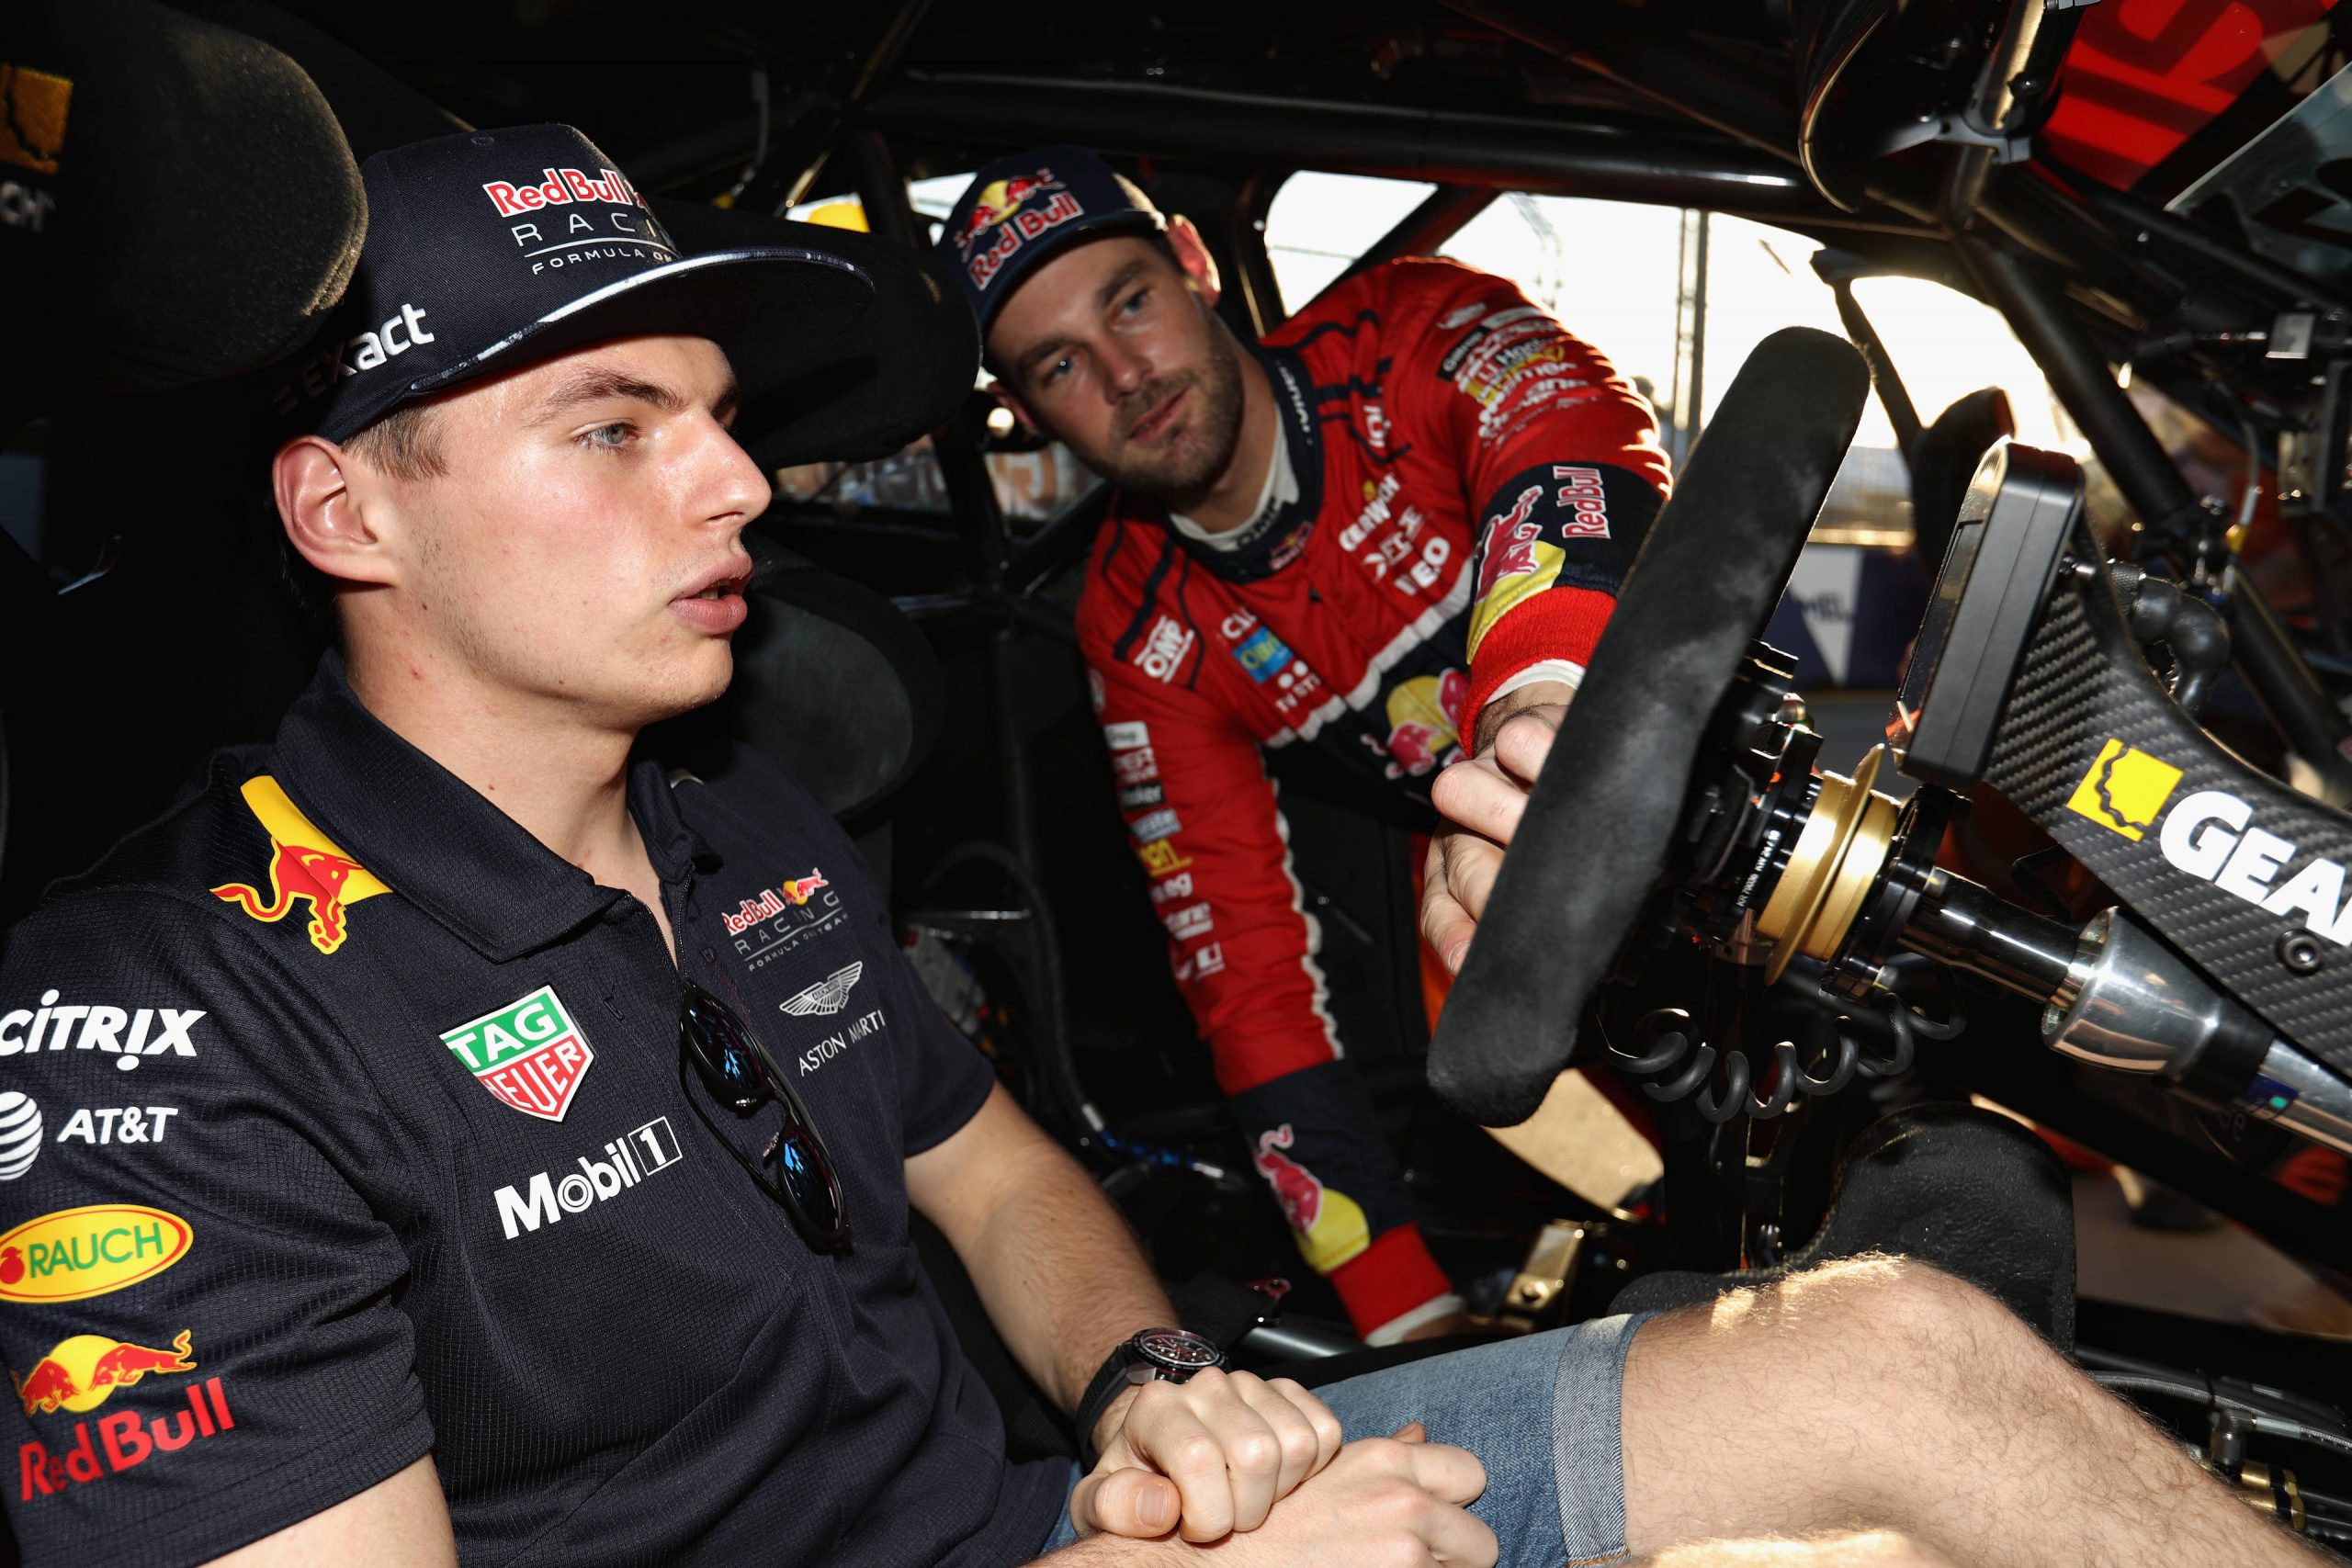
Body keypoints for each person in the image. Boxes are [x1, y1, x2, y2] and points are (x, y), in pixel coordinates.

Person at [0, 124, 2320, 1568]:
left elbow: (1000, 1178)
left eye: (718, 425)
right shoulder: (163, 1021)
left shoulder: (737, 828)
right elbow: (1249, 1002)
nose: (735, 488)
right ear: (338, 509)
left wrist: (1160, 1393)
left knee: (1902, 1358)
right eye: (616, 428)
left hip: (1078, 1505)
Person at [937, 146, 1670, 1344]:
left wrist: (1534, 700)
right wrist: (1403, 1318)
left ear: (1193, 263)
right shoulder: (1137, 627)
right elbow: (1244, 981)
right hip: (1532, 952)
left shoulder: (1412, 326)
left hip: (1738, 793)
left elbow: (1576, 444)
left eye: (1129, 300)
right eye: (1062, 364)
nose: (1126, 375)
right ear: (1023, 411)